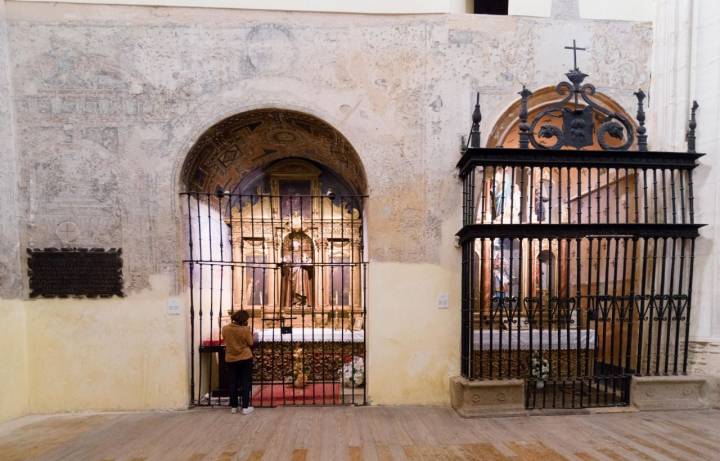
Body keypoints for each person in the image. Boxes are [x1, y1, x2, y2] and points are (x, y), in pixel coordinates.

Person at [222, 310, 257, 414]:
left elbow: (225, 340)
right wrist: (253, 336)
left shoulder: (225, 328)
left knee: (233, 382)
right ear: (243, 320)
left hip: (231, 358)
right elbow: (250, 342)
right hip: (245, 358)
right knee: (245, 381)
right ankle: (245, 407)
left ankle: (233, 406)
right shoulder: (245, 330)